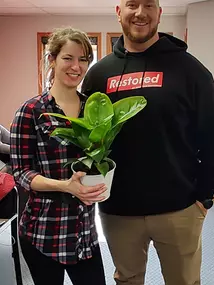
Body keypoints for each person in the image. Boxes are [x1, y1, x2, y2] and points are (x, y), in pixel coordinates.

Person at [82, 0, 214, 284]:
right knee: (127, 280)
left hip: (179, 207)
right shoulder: (99, 74)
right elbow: (88, 139)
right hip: (118, 211)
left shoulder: (191, 70)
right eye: (132, 4)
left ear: (159, 13)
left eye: (148, 4)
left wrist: (206, 196)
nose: (140, 12)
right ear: (118, 12)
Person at [10, 27, 107, 285]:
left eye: (84, 59)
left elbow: (102, 158)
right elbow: (21, 173)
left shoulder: (93, 109)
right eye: (68, 58)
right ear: (52, 59)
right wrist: (66, 186)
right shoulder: (31, 111)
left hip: (84, 233)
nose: (76, 66)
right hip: (43, 233)